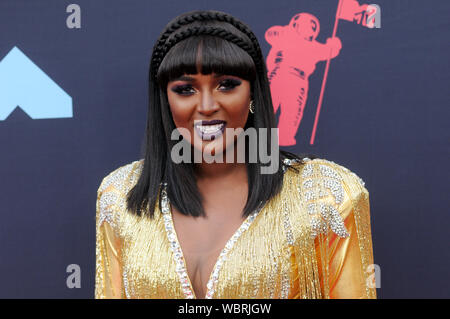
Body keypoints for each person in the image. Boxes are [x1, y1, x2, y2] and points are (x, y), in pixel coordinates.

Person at [95, 9, 376, 299]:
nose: (206, 105)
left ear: (253, 94)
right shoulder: (120, 197)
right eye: (185, 89)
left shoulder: (325, 195)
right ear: (165, 100)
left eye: (226, 85)